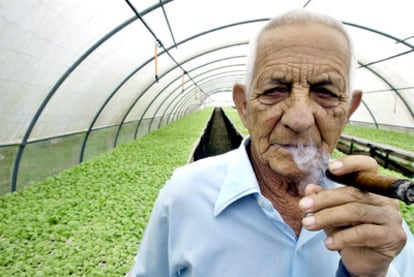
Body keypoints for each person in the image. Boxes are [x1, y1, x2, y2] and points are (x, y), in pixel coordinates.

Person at [129, 9, 414, 276]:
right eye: (275, 90)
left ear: (349, 110)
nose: (299, 119)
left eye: (325, 92)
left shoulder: (378, 221)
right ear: (243, 105)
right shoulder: (184, 196)